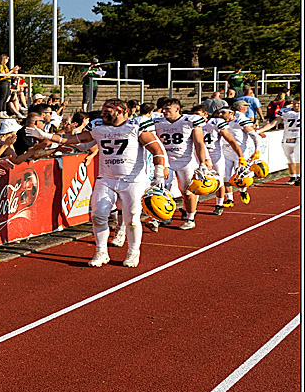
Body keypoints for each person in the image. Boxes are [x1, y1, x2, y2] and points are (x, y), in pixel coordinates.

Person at [26, 99, 168, 268]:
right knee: (98, 214)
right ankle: (101, 252)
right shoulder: (97, 126)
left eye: (108, 111)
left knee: (132, 219)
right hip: (107, 177)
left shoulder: (135, 125)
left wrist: (159, 173)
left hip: (133, 179)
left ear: (121, 112)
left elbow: (156, 150)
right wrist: (46, 136)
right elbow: (75, 139)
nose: (103, 114)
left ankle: (133, 251)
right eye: (102, 111)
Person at [147, 98, 211, 231]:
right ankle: (156, 218)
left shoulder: (190, 121)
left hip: (185, 162)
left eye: (167, 109)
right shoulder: (157, 121)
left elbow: (199, 143)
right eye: (163, 109)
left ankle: (190, 218)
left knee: (187, 192)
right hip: (166, 162)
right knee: (160, 189)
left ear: (177, 109)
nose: (164, 112)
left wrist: (203, 162)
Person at [191, 103, 244, 215]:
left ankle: (219, 204)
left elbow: (231, 140)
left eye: (197, 114)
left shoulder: (215, 122)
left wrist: (241, 156)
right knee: (196, 181)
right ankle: (193, 207)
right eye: (194, 114)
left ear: (205, 114)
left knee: (219, 181)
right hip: (198, 156)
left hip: (215, 155)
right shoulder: (191, 123)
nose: (195, 117)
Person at [256, 97, 300, 187]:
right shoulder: (285, 111)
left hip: (299, 137)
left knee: (298, 157)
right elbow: (274, 123)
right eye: (295, 103)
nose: (296, 105)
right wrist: (261, 130)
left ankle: (299, 177)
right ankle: (293, 177)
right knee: (290, 158)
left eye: (299, 103)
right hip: (287, 138)